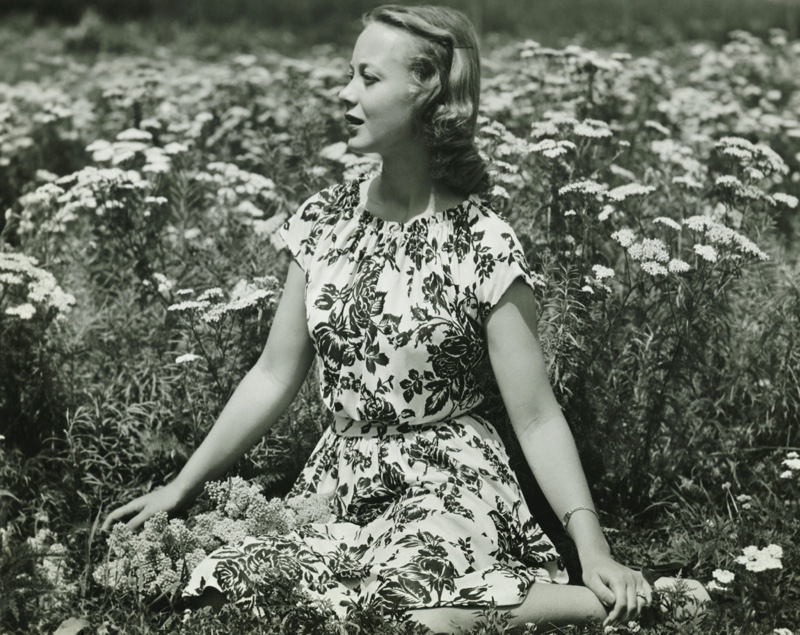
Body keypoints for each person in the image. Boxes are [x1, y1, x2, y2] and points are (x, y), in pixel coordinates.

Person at [102, 5, 708, 633]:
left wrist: (593, 547)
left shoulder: (483, 242)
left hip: (451, 480)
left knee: (410, 611)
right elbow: (272, 375)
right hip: (340, 483)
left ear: (426, 94)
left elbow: (535, 416)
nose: (345, 94)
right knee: (221, 589)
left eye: (368, 78)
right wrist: (180, 489)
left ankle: (613, 603)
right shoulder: (324, 222)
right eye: (350, 75)